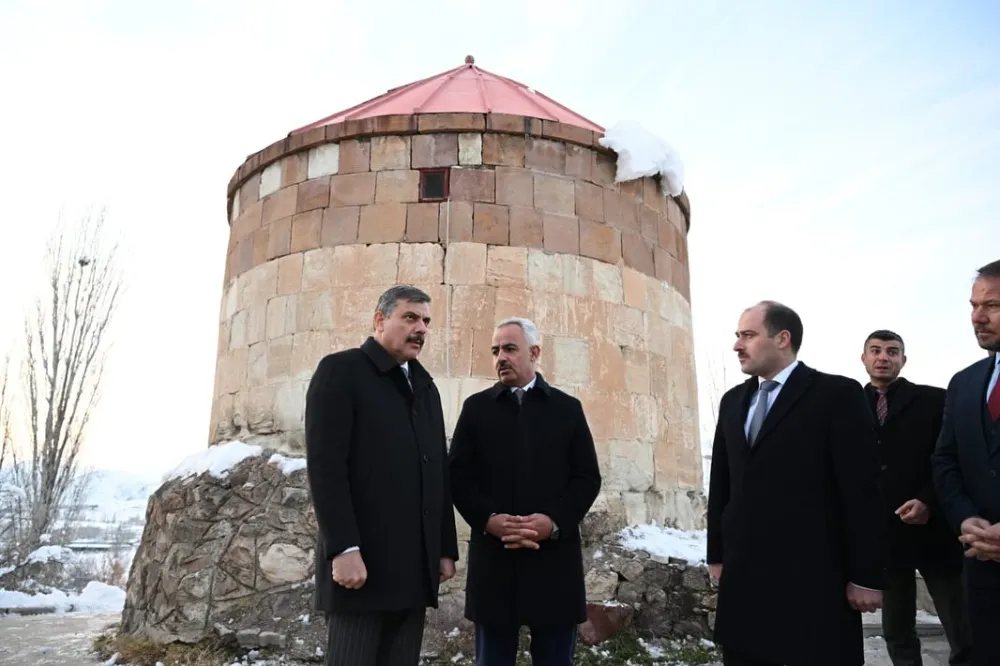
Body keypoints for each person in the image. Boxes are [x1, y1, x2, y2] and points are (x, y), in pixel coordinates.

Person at [706, 300, 885, 666]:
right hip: (745, 582)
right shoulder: (732, 401)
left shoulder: (836, 395)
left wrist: (866, 575)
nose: (737, 345)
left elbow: (862, 489)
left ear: (783, 338)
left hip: (814, 581)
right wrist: (717, 553)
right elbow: (722, 482)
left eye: (749, 335)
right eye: (738, 336)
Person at [304, 285, 459, 666]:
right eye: (410, 317)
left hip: (413, 570)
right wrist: (343, 548)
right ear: (379, 320)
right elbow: (326, 469)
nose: (421, 328)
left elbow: (436, 468)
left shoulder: (426, 388)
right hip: (362, 568)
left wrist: (443, 547)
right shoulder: (341, 371)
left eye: (426, 321)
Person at [448, 317, 602, 666]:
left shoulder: (566, 409)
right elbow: (458, 476)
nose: (501, 357)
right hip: (495, 562)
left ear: (534, 352)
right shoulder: (476, 409)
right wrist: (489, 520)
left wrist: (552, 522)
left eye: (510, 348)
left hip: (553, 563)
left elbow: (586, 478)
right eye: (495, 350)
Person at [860, 329, 972, 666]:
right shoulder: (847, 404)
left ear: (903, 360)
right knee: (896, 629)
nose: (883, 358)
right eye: (876, 351)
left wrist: (928, 501)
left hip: (934, 531)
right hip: (885, 536)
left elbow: (953, 458)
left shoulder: (935, 400)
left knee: (962, 625)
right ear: (863, 358)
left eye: (892, 352)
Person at [932, 259, 1000, 666]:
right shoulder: (964, 382)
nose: (977, 317)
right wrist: (965, 518)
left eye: (991, 305)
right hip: (981, 571)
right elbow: (945, 460)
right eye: (973, 306)